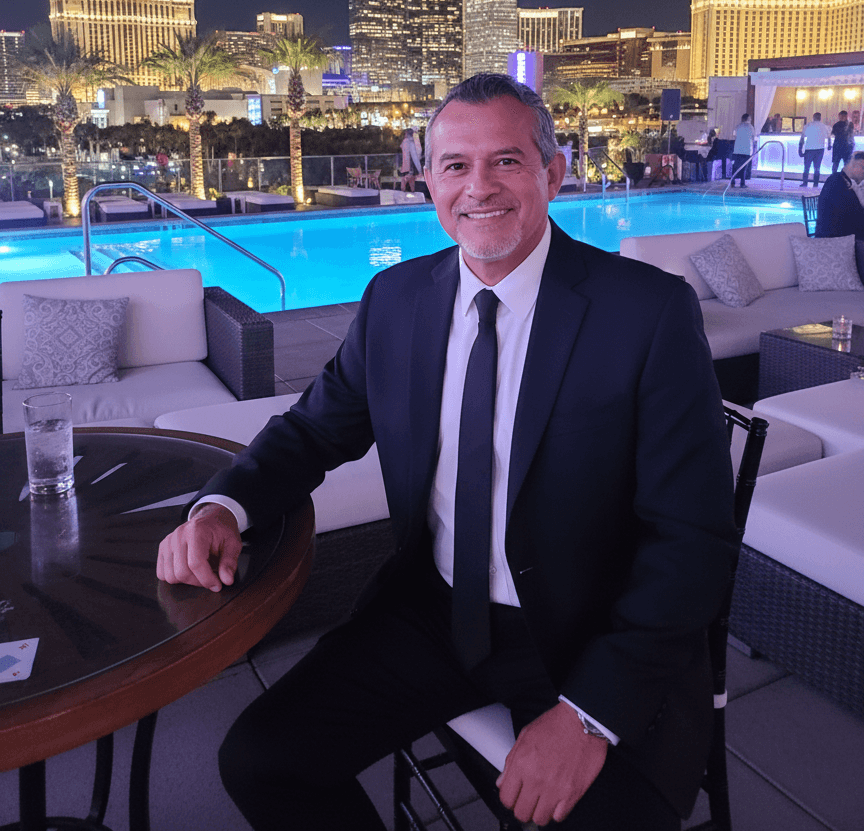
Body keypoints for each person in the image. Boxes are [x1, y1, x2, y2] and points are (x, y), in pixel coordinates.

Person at [157, 74, 736, 831]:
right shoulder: (396, 300)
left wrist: (589, 714)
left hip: (591, 630)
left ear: (552, 174)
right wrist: (223, 504)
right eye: (456, 165)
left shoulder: (646, 313)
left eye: (506, 161)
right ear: (427, 177)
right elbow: (313, 429)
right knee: (261, 761)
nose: (479, 187)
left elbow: (692, 539)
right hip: (434, 610)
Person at [814, 150, 864, 238]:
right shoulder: (836, 182)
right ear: (852, 165)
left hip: (847, 237)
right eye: (863, 168)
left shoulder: (842, 181)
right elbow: (851, 217)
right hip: (837, 241)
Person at [799, 111, 831, 187]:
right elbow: (829, 137)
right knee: (817, 167)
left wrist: (800, 149)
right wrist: (829, 145)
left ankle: (805, 183)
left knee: (806, 167)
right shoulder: (825, 126)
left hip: (809, 149)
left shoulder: (808, 125)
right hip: (820, 149)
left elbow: (802, 138)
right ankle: (815, 183)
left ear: (813, 117)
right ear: (820, 118)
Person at [731, 113, 755, 187]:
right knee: (744, 167)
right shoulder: (750, 127)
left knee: (735, 166)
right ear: (748, 119)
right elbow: (753, 137)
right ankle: (742, 183)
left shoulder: (738, 126)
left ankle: (732, 181)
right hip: (747, 150)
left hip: (737, 150)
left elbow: (734, 135)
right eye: (750, 118)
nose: (751, 120)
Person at [400, 127, 423, 192]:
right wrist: (419, 169)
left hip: (408, 166)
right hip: (410, 166)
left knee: (405, 180)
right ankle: (412, 193)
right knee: (410, 181)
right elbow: (415, 155)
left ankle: (404, 193)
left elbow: (411, 155)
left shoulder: (406, 142)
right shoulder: (411, 142)